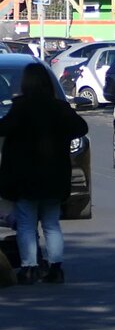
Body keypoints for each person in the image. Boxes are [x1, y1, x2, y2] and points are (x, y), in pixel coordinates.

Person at [0, 63, 88, 284]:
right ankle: (55, 268)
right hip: (54, 176)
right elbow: (81, 128)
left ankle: (29, 267)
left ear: (26, 84)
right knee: (51, 223)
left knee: (27, 223)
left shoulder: (21, 108)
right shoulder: (59, 108)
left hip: (25, 178)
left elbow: (3, 129)